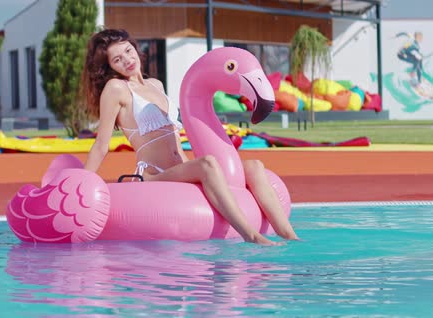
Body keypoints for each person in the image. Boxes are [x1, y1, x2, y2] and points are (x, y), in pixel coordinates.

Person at [81, 29, 299, 245]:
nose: (127, 60)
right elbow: (102, 145)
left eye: (129, 51)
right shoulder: (116, 88)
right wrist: (82, 184)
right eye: (117, 59)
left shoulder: (155, 84)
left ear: (135, 48)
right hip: (154, 173)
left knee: (254, 166)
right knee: (207, 164)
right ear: (110, 67)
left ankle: (290, 235)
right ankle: (251, 236)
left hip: (181, 168)